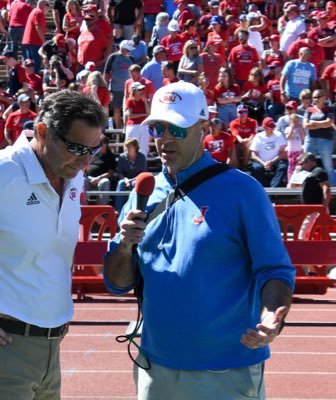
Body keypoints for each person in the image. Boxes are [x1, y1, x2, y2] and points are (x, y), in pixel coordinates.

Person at [103, 81, 295, 400]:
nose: (164, 139)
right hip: (156, 367)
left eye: (176, 129)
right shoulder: (142, 192)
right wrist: (125, 247)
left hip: (225, 371)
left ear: (203, 127)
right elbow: (117, 283)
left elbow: (275, 269)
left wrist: (272, 314)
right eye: (158, 129)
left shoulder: (242, 191)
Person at [0, 90, 106, 399]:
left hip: (49, 351)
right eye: (77, 147)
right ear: (43, 132)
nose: (86, 160)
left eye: (94, 149)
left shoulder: (71, 175)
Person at [303, 89, 336, 186]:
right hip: (310, 140)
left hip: (325, 141)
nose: (316, 99)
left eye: (318, 96)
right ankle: (307, 186)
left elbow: (329, 123)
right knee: (306, 164)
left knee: (328, 166)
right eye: (314, 97)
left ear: (324, 97)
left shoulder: (329, 109)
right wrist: (322, 124)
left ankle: (333, 189)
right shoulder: (309, 109)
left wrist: (313, 123)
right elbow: (305, 125)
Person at [250, 117, 288, 188]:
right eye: (270, 128)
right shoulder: (258, 136)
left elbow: (282, 153)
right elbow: (253, 154)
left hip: (276, 161)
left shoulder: (279, 135)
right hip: (261, 162)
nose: (272, 129)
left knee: (283, 167)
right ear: (264, 127)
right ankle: (264, 189)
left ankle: (273, 189)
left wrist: (272, 162)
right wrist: (263, 163)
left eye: (273, 127)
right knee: (256, 168)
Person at [114, 137, 147, 212]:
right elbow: (119, 172)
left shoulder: (142, 157)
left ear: (135, 147)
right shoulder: (122, 157)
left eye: (129, 146)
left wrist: (131, 180)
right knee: (120, 183)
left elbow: (143, 173)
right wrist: (126, 180)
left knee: (135, 184)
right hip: (125, 179)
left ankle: (135, 209)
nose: (127, 148)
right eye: (126, 146)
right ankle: (118, 210)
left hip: (137, 179)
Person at [85, 134, 117, 205]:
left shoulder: (110, 156)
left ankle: (102, 207)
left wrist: (98, 178)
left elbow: (110, 173)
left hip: (101, 179)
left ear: (105, 145)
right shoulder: (92, 154)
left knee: (105, 182)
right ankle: (82, 206)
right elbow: (86, 167)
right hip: (89, 178)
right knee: (82, 180)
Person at [124, 81, 151, 156]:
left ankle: (143, 165)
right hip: (133, 127)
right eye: (139, 90)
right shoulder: (129, 101)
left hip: (144, 126)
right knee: (130, 147)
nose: (141, 91)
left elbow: (148, 113)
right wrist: (143, 114)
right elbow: (130, 115)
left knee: (144, 148)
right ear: (134, 91)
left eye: (142, 89)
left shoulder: (144, 101)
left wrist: (145, 101)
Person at [285, 113, 305, 182]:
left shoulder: (299, 129)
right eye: (294, 121)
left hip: (299, 150)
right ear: (290, 121)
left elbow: (303, 138)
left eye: (297, 121)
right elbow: (288, 138)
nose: (295, 123)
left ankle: (298, 181)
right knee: (291, 166)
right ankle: (290, 180)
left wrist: (301, 129)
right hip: (291, 150)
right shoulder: (288, 129)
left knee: (299, 166)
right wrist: (292, 129)